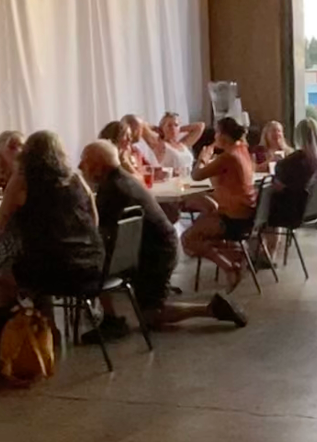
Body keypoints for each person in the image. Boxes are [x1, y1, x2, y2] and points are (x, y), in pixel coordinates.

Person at [77, 141, 246, 337]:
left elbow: (97, 231)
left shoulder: (112, 191)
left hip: (156, 253)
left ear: (99, 166)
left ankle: (211, 308)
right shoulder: (124, 180)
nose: (80, 166)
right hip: (157, 247)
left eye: (85, 161)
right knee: (148, 311)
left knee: (152, 315)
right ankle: (110, 317)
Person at [0, 130, 105, 310]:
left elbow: (2, 219)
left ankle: (8, 320)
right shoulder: (76, 179)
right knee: (39, 263)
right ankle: (43, 319)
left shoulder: (23, 181)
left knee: (0, 271)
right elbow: (94, 219)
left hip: (47, 270)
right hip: (90, 268)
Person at [182, 116, 258, 289]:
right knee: (205, 212)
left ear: (223, 136)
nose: (214, 136)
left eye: (216, 132)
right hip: (246, 214)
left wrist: (203, 157)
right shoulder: (242, 150)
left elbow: (196, 175)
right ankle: (235, 254)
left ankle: (229, 267)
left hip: (233, 218)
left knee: (188, 239)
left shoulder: (228, 157)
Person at [262, 117, 317, 260]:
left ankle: (267, 253)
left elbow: (279, 185)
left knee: (266, 207)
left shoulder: (293, 161)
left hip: (296, 212)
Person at [152, 111, 204, 178]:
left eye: (176, 125)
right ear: (162, 128)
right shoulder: (161, 145)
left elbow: (200, 126)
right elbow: (143, 126)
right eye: (169, 125)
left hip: (189, 181)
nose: (173, 128)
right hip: (173, 181)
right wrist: (158, 130)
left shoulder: (183, 143)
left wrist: (178, 129)